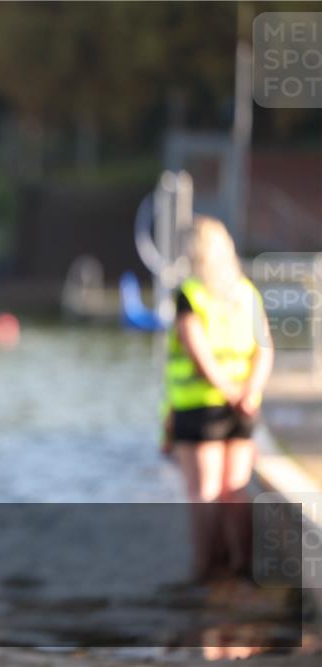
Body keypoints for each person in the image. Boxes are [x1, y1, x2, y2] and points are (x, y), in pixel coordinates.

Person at [164, 216, 273, 583]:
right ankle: (241, 566)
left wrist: (226, 391)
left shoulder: (190, 294)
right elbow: (265, 348)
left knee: (204, 493)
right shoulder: (246, 292)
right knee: (236, 489)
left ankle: (204, 572)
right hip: (244, 406)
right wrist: (248, 393)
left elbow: (198, 353)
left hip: (201, 407)